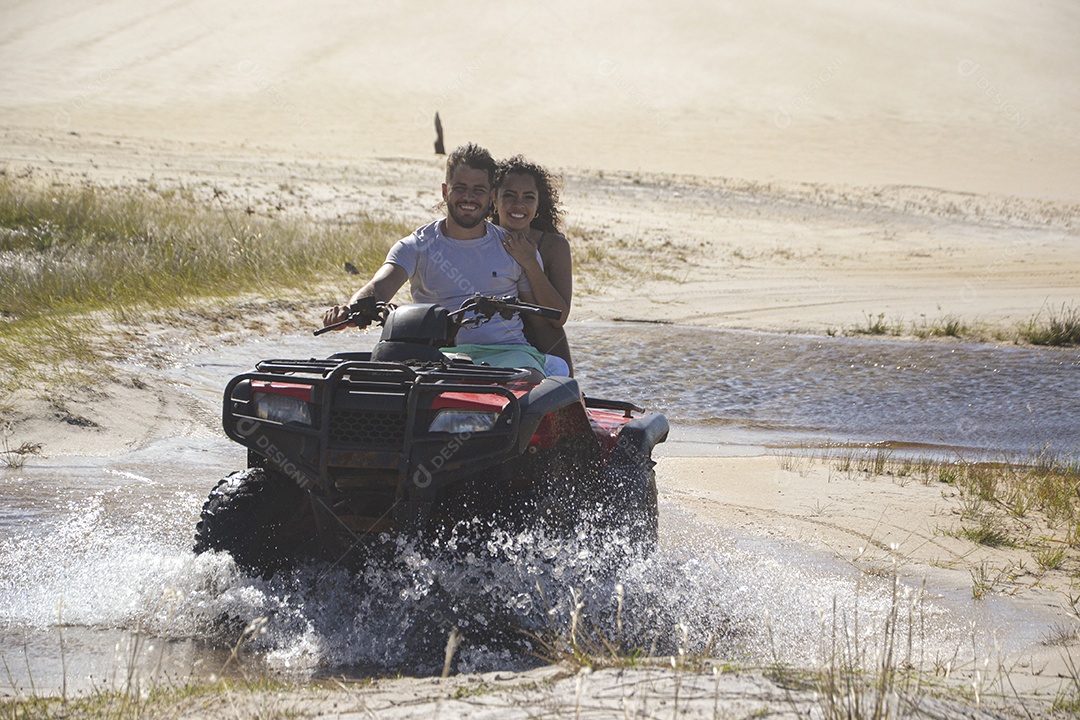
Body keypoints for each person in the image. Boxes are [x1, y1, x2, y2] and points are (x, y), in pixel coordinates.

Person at [322, 143, 552, 380]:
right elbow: (379, 286)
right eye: (460, 188)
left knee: (528, 383)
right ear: (445, 191)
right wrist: (350, 310)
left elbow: (540, 321)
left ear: (492, 195)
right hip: (435, 356)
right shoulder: (416, 246)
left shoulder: (513, 247)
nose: (469, 197)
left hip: (506, 354)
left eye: (478, 190)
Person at [492, 156, 574, 376]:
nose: (518, 205)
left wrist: (530, 262)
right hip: (493, 352)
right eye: (509, 195)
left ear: (538, 205)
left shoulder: (553, 246)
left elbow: (559, 317)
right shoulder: (480, 242)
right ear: (494, 199)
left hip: (548, 349)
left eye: (528, 197)